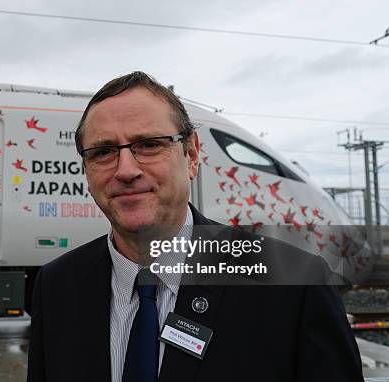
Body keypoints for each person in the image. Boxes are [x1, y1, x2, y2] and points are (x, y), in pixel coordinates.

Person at [27, 71, 363, 382]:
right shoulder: (56, 286)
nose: (125, 170)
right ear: (86, 170)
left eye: (148, 144)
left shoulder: (295, 284)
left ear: (191, 153)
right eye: (103, 151)